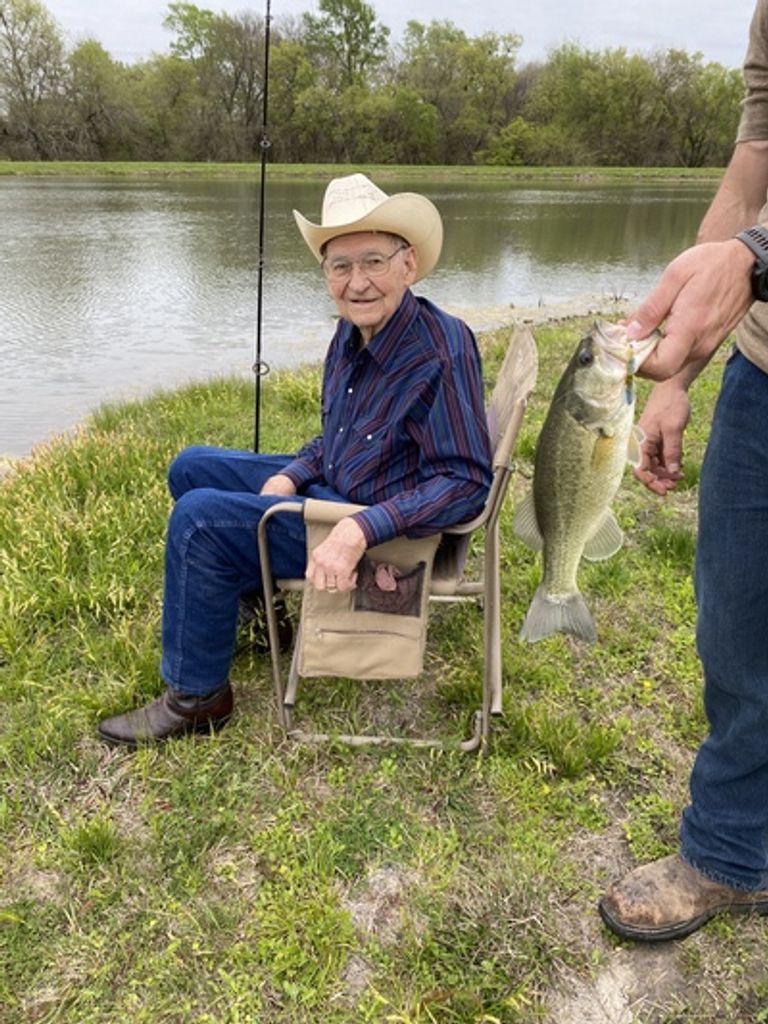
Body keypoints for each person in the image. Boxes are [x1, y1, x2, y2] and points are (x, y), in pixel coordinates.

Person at [97, 173, 493, 748]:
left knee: (201, 519)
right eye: (340, 266)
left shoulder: (441, 347)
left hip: (388, 531)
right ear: (326, 272)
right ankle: (265, 615)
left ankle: (198, 697)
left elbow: (465, 482)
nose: (357, 283)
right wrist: (291, 474)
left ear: (408, 265)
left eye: (374, 261)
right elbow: (339, 439)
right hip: (343, 486)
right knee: (191, 466)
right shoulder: (353, 333)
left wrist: (359, 528)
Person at [598, 0, 768, 941]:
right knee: (736, 625)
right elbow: (749, 184)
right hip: (763, 369)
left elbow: (754, 238)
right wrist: (679, 371)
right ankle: (731, 855)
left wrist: (759, 256)